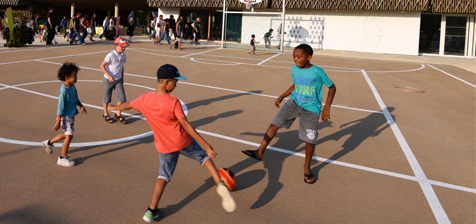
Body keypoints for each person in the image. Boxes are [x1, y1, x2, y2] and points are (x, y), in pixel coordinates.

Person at [110, 64, 236, 222]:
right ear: (166, 82)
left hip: (164, 146)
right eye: (175, 81)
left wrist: (114, 107)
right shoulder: (173, 102)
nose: (176, 84)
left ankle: (151, 211)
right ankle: (219, 183)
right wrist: (206, 145)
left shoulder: (145, 98)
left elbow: (128, 106)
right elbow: (186, 124)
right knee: (204, 157)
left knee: (163, 176)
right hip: (182, 140)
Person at [241, 44, 337, 184]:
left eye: (299, 57)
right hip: (294, 103)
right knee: (274, 125)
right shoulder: (294, 69)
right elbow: (295, 85)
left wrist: (327, 107)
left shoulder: (318, 71)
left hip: (311, 110)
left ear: (308, 57)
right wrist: (282, 96)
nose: (296, 59)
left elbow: (332, 87)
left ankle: (307, 168)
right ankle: (260, 152)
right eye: (294, 57)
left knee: (310, 139)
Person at [41, 62, 87, 167]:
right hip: (65, 117)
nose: (76, 78)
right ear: (67, 77)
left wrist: (81, 105)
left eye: (76, 76)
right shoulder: (63, 91)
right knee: (69, 136)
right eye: (74, 76)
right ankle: (62, 158)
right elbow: (60, 107)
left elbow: (75, 98)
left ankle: (48, 143)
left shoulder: (72, 86)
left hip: (70, 116)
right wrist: (58, 121)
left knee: (67, 134)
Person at [100, 37, 128, 124]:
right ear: (116, 45)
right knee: (107, 98)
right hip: (109, 80)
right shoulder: (111, 55)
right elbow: (102, 66)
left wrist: (122, 77)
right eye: (122, 46)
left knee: (122, 98)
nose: (124, 48)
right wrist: (109, 76)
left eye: (125, 47)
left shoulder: (123, 55)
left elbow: (122, 66)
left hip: (118, 79)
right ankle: (105, 113)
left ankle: (118, 114)